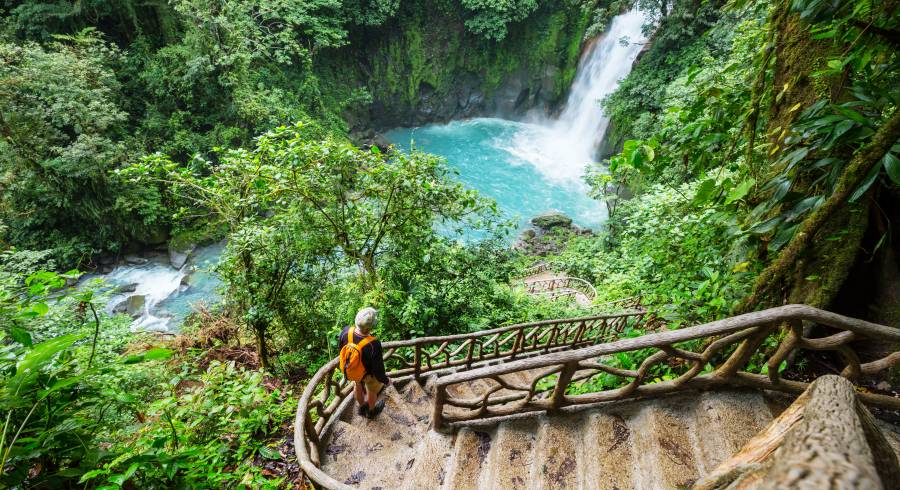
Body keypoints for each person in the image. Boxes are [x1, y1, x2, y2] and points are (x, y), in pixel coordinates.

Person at [338, 307, 390, 419]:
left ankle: (362, 407)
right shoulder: (373, 344)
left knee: (357, 385)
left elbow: (341, 350)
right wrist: (385, 380)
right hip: (368, 374)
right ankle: (371, 411)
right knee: (372, 390)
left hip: (353, 370)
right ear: (370, 327)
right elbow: (378, 368)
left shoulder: (346, 332)